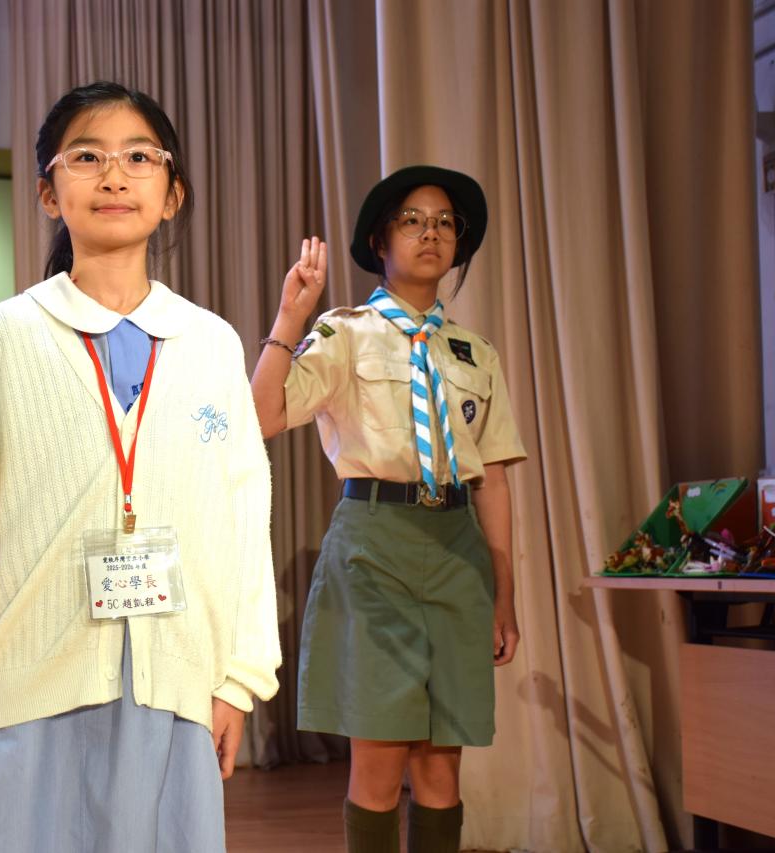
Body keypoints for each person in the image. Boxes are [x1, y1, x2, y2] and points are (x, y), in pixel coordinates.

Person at [0, 81, 281, 852]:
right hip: (40, 679)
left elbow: (242, 513)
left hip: (177, 677)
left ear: (172, 193)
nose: (115, 175)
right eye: (87, 157)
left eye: (139, 158)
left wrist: (239, 677)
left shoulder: (211, 342)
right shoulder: (6, 336)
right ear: (48, 193)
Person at [250, 166, 526, 853]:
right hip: (375, 545)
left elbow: (492, 478)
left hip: (458, 549)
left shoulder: (475, 353)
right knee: (378, 761)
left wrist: (504, 590)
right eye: (412, 220)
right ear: (380, 240)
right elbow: (263, 416)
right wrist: (289, 319)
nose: (431, 233)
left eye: (445, 222)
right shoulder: (344, 333)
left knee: (441, 765)